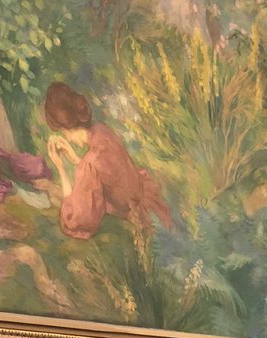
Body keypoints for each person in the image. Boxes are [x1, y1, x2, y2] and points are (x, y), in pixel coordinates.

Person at [43, 81, 172, 239]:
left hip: (141, 219)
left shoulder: (89, 164)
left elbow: (75, 218)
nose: (67, 138)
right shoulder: (102, 132)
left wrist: (61, 168)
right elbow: (105, 172)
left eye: (64, 132)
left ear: (67, 129)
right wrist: (77, 159)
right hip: (150, 203)